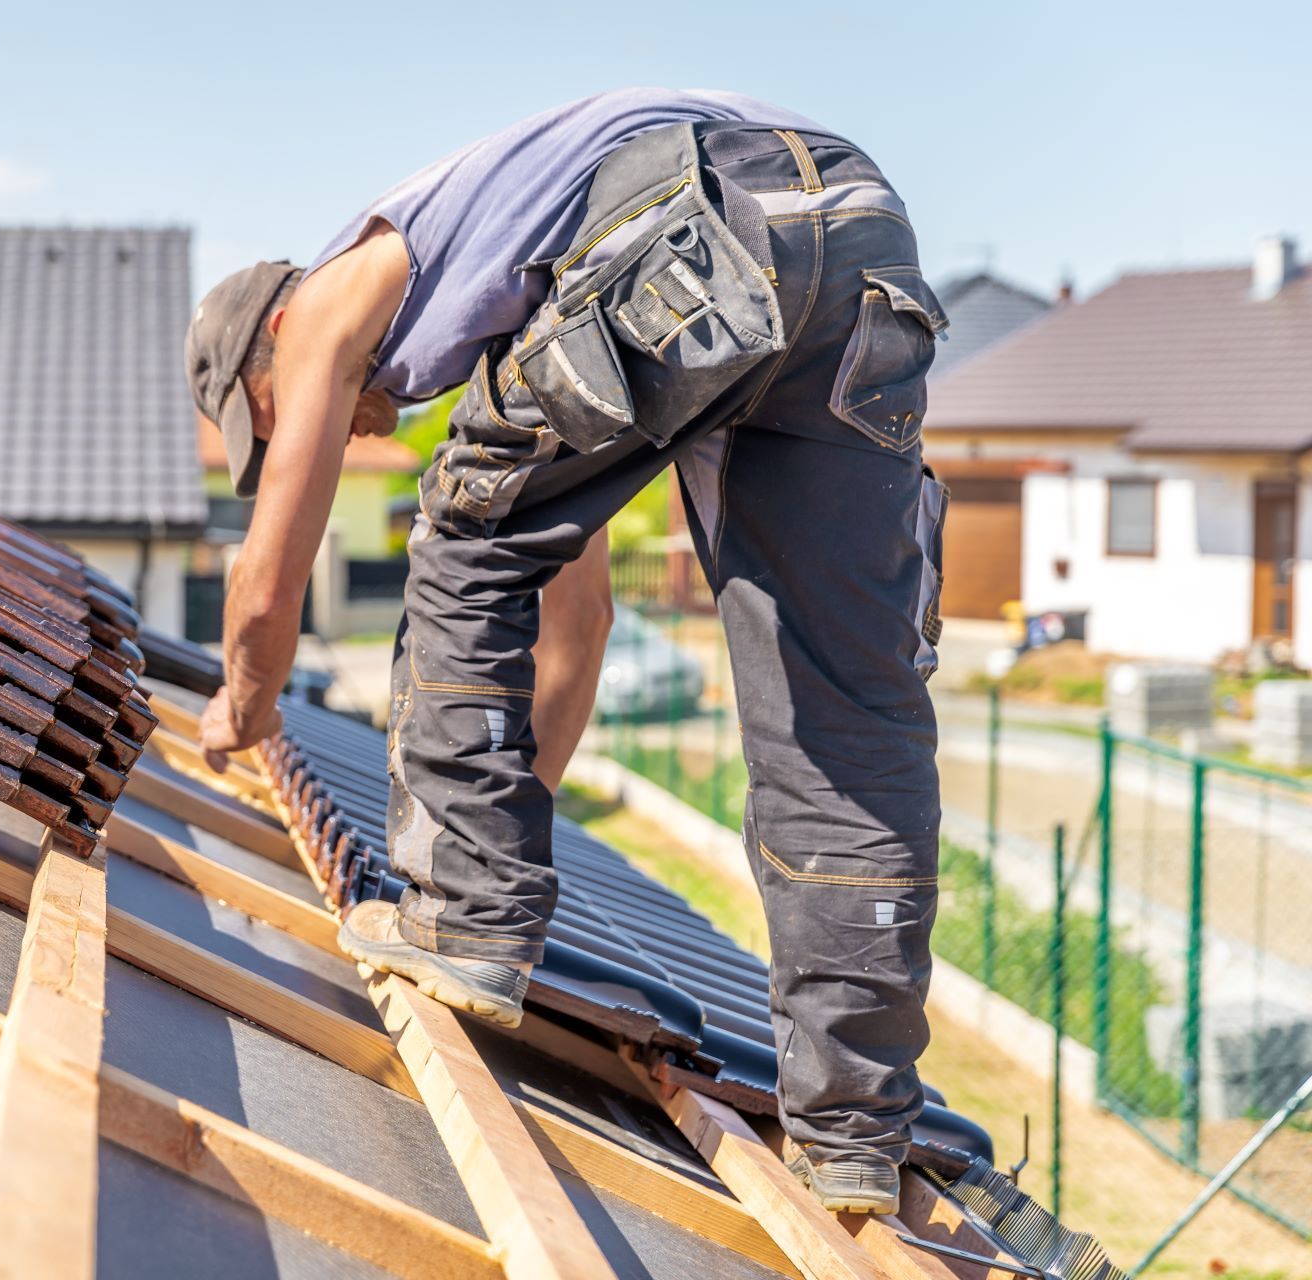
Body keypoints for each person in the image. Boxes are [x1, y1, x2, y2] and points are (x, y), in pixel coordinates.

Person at [183, 88, 950, 1215]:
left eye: (272, 416)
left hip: (698, 211)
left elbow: (266, 585)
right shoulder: (521, 300)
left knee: (459, 527)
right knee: (840, 706)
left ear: (269, 348)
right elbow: (573, 625)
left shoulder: (337, 291)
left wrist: (243, 707)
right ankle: (852, 1130)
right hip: (856, 231)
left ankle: (459, 923)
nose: (331, 428)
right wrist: (503, 816)